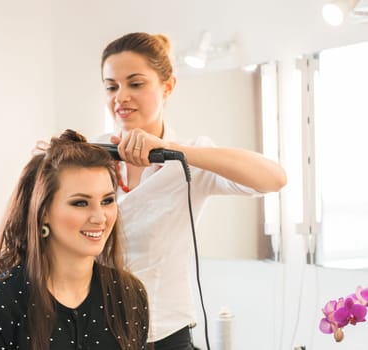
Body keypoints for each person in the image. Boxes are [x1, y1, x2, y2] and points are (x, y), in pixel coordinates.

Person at [94, 32, 287, 349]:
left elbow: (274, 179)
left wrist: (171, 149)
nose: (121, 97)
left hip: (164, 332)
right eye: (111, 86)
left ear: (167, 87)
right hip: (96, 329)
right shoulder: (93, 155)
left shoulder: (192, 161)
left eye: (135, 84)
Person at [0, 129, 150, 350]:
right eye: (80, 203)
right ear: (43, 212)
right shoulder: (0, 302)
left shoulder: (129, 293)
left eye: (107, 201)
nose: (100, 217)